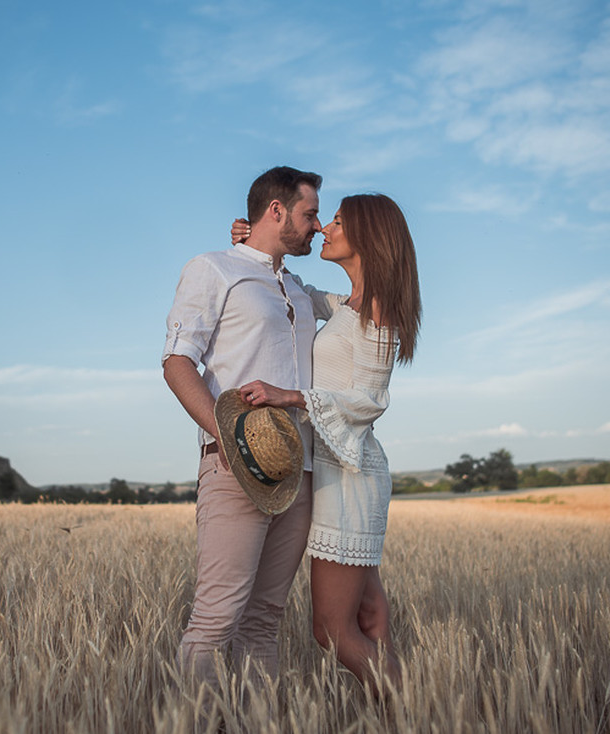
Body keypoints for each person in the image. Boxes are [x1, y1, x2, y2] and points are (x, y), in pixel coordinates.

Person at [231, 194, 421, 689]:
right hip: (339, 474)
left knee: (332, 631)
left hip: (351, 479)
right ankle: (403, 716)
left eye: (335, 221)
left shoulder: (377, 308)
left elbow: (370, 399)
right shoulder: (347, 305)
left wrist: (290, 396)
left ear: (367, 237)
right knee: (370, 620)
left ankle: (414, 714)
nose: (322, 230)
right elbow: (295, 291)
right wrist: (255, 247)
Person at [162, 166, 323, 685]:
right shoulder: (213, 268)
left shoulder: (299, 289)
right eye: (310, 213)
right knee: (215, 622)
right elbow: (177, 362)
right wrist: (228, 438)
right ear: (276, 211)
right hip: (235, 468)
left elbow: (360, 300)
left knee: (264, 623)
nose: (317, 226)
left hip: (298, 475)